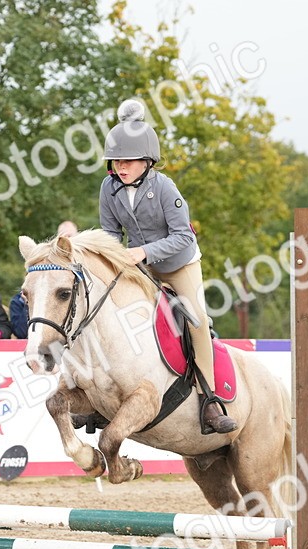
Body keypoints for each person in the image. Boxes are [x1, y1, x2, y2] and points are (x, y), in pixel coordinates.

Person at [98, 98, 234, 435]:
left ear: (146, 161)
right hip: (139, 266)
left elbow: (183, 237)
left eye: (127, 161)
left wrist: (142, 252)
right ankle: (104, 397)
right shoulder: (108, 188)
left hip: (178, 264)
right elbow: (110, 234)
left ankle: (211, 400)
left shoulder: (164, 187)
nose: (121, 166)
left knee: (197, 321)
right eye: (116, 161)